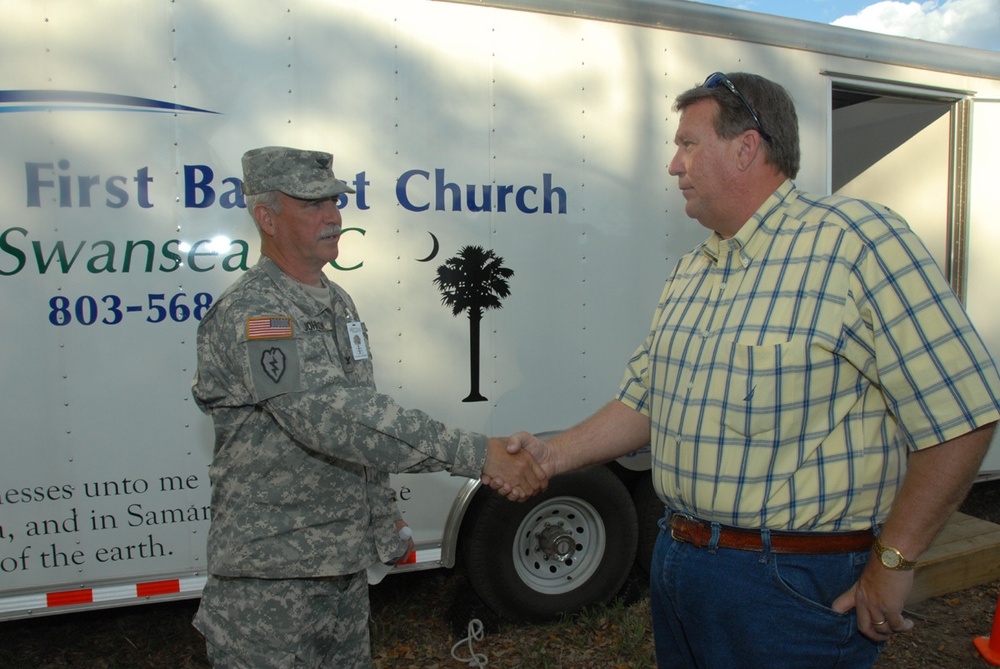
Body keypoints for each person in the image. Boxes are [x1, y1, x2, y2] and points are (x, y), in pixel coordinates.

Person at [497, 72, 1000, 667]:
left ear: (746, 147)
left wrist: (894, 560)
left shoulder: (855, 243)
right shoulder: (693, 270)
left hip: (792, 586)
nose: (674, 166)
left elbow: (963, 413)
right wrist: (551, 457)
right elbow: (646, 402)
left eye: (688, 144)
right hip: (680, 561)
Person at [191, 145, 546, 668]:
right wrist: (477, 454)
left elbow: (364, 414)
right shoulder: (255, 311)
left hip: (340, 569)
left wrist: (381, 517)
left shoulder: (337, 302)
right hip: (271, 577)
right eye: (313, 204)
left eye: (335, 201)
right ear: (266, 216)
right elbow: (329, 418)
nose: (333, 216)